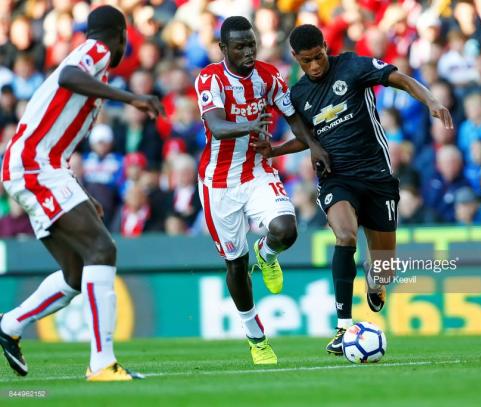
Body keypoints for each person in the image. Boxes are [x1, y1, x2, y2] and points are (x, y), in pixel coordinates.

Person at [253, 24, 452, 355]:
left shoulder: (353, 66)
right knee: (345, 236)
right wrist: (274, 150)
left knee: (384, 268)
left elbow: (399, 78)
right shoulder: (299, 94)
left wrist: (430, 100)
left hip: (377, 176)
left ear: (325, 47)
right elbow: (306, 138)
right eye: (306, 62)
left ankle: (376, 281)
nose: (315, 66)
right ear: (296, 58)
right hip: (337, 177)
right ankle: (343, 327)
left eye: (318, 57)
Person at [0, 6, 163, 381]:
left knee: (76, 273)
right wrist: (132, 98)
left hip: (44, 166)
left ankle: (9, 325)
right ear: (120, 36)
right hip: (33, 165)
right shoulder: (96, 51)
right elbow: (71, 76)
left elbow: (58, 135)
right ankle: (102, 362)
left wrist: (76, 190)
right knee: (102, 249)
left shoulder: (92, 64)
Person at [194, 17, 328, 365]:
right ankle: (257, 339)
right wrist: (250, 125)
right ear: (223, 49)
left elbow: (292, 115)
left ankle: (266, 253)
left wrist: (311, 144)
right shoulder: (210, 79)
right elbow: (216, 125)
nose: (248, 51)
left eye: (251, 44)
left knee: (286, 228)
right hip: (218, 183)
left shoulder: (269, 76)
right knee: (236, 265)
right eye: (239, 46)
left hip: (256, 171)